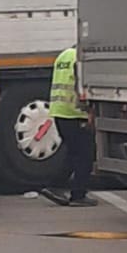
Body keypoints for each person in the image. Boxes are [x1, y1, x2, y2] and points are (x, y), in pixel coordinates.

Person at [38, 46, 98, 207]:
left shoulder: (63, 55)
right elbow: (81, 85)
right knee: (85, 154)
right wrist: (89, 110)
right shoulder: (80, 58)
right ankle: (78, 194)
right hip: (75, 112)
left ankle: (55, 187)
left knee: (73, 153)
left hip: (60, 111)